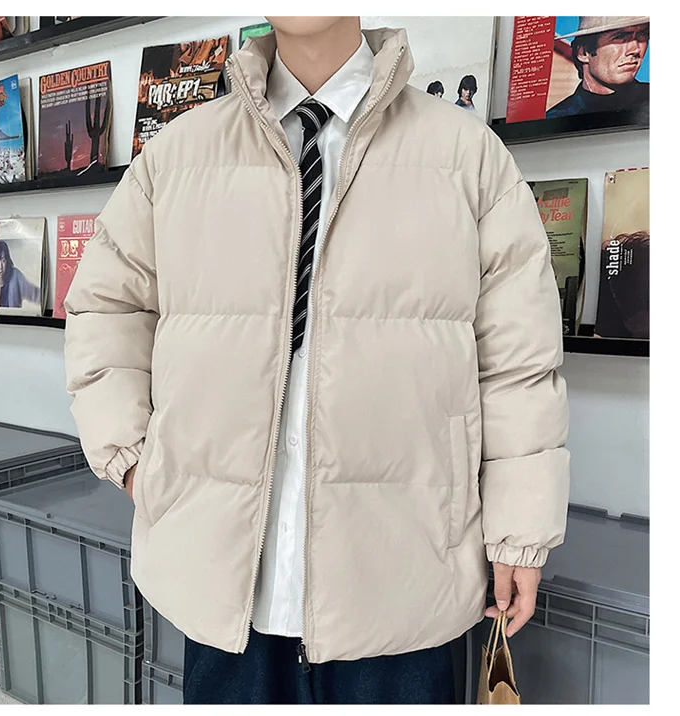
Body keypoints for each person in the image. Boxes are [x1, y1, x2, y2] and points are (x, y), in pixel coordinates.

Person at [64, 17, 570, 705]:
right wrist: (133, 459)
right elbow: (104, 307)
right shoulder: (177, 156)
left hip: (404, 583)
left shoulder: (466, 155)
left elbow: (518, 361)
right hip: (222, 587)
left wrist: (520, 531)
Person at [546, 16, 649, 118]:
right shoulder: (557, 118)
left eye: (643, 34)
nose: (635, 49)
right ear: (583, 53)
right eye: (619, 37)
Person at [0, 240, 40, 309]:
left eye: (3, 261)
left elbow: (35, 293)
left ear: (7, 261)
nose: (0, 267)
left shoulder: (15, 275)